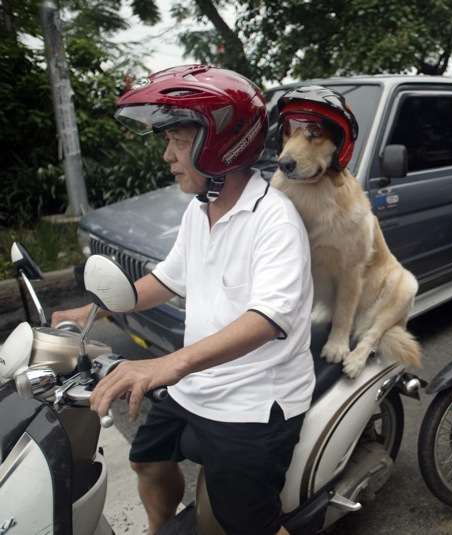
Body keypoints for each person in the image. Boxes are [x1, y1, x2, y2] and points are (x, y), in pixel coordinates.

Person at [52, 65, 315, 535]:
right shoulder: (201, 211)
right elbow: (168, 280)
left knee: (248, 522)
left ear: (218, 145)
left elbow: (267, 319)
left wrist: (165, 365)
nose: (167, 155)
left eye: (177, 141)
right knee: (146, 460)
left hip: (252, 399)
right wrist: (95, 309)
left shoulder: (275, 220)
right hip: (197, 383)